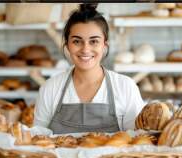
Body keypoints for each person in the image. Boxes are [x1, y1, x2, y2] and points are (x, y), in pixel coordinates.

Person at [34, 3, 144, 134]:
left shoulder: (125, 87)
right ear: (67, 45)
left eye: (94, 41)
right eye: (77, 41)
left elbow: (137, 140)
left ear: (104, 45)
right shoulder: (50, 88)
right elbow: (38, 140)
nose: (85, 49)